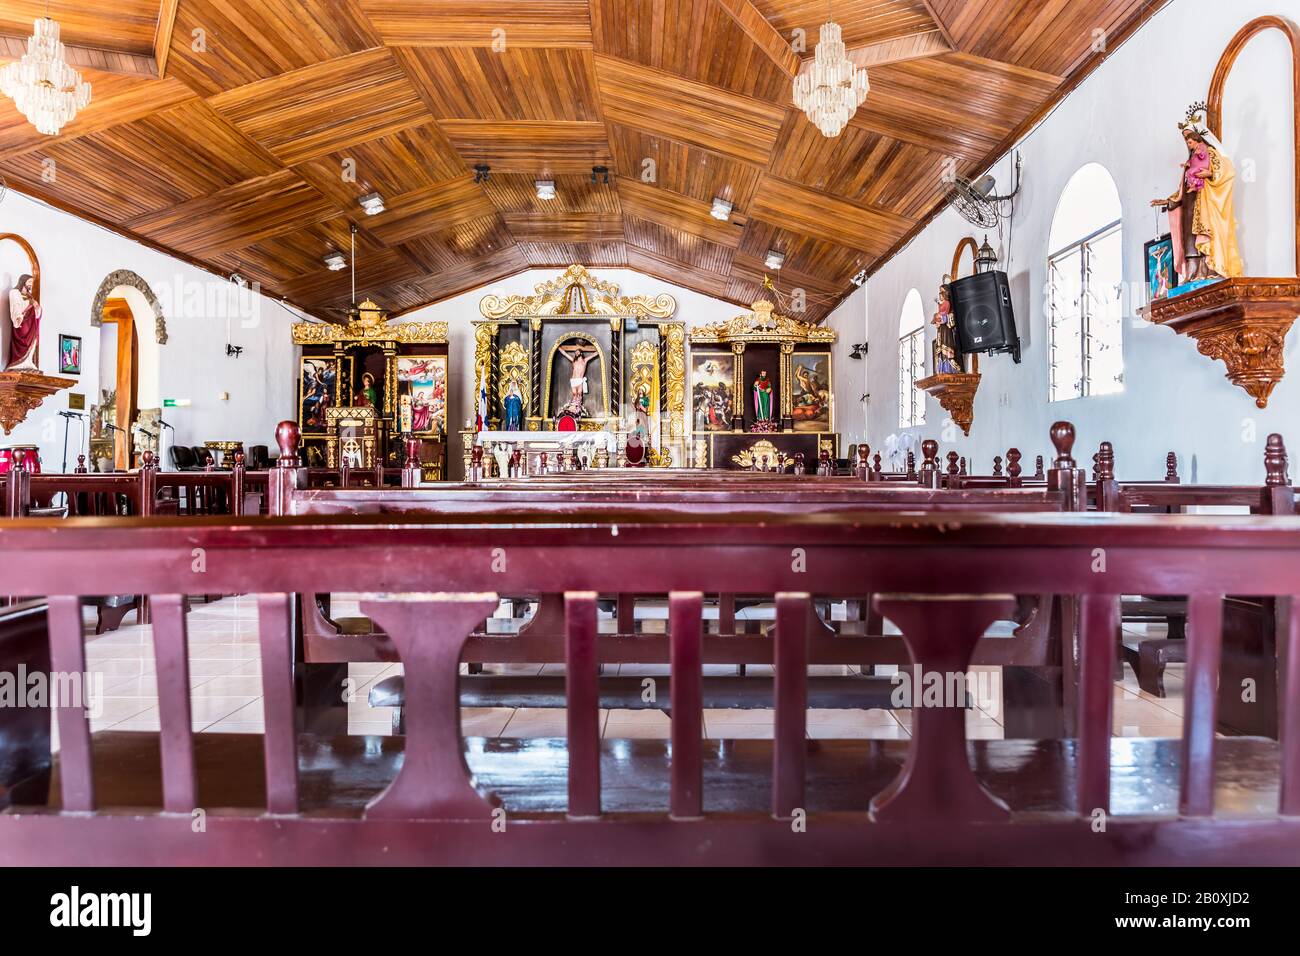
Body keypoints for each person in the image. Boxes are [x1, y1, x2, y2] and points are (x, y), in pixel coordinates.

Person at [1150, 106, 1243, 282]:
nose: (1188, 144)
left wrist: (1209, 174)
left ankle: (1208, 269)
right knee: (1190, 240)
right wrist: (1167, 201)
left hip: (1205, 202)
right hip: (1190, 203)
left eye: (1189, 140)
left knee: (1203, 236)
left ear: (1198, 138)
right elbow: (1183, 187)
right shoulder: (1190, 161)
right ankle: (1193, 273)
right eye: (1186, 141)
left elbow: (1228, 171)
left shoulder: (1212, 154)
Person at [6, 273, 40, 370]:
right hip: (22, 323)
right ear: (23, 281)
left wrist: (37, 308)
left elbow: (36, 311)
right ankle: (18, 363)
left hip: (31, 323)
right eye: (29, 282)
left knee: (32, 340)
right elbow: (16, 306)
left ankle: (28, 361)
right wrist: (30, 303)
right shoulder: (14, 292)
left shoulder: (29, 296)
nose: (31, 284)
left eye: (32, 283)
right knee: (22, 342)